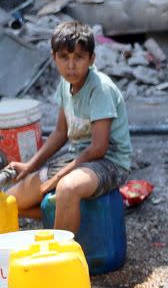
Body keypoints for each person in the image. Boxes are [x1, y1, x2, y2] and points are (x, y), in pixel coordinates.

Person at [6, 21, 131, 233]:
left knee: (67, 187)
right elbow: (60, 133)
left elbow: (99, 147)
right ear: (54, 58)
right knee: (12, 200)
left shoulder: (100, 88)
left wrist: (57, 177)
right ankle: (64, 220)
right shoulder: (65, 84)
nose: (71, 65)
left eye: (79, 57)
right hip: (75, 158)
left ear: (92, 59)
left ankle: (60, 255)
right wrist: (30, 165)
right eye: (64, 57)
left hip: (109, 161)